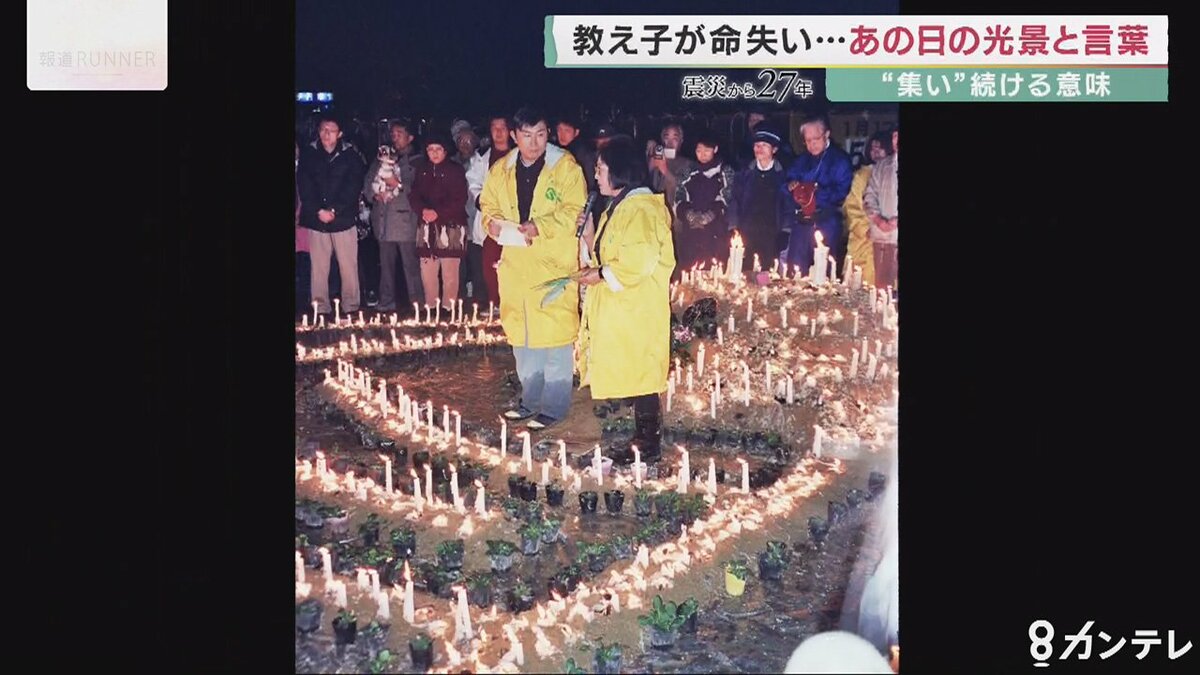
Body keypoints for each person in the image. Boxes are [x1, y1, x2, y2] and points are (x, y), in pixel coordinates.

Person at [480, 107, 587, 431]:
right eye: (526, 135)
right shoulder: (501, 169)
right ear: (514, 136)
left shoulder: (565, 167)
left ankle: (553, 405)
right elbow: (488, 206)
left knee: (554, 337)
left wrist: (540, 225)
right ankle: (530, 400)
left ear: (548, 134)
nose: (534, 142)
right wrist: (492, 226)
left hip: (551, 264)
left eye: (540, 134)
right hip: (516, 264)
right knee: (523, 336)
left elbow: (574, 210)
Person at [578, 135, 675, 463]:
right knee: (638, 372)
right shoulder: (620, 206)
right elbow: (607, 253)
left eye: (601, 168)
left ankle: (648, 446)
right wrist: (590, 234)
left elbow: (638, 261)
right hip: (625, 309)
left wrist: (601, 275)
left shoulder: (642, 209)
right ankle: (644, 440)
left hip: (637, 309)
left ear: (619, 170)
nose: (596, 175)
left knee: (644, 374)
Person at [297, 113, 367, 317]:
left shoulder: (350, 155)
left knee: (348, 266)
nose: (326, 134)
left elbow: (353, 186)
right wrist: (318, 210)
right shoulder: (309, 154)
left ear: (340, 134)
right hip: (317, 220)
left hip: (343, 219)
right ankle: (320, 307)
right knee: (318, 267)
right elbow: (305, 185)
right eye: (323, 130)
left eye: (331, 130)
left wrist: (335, 210)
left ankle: (351, 306)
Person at [363, 119, 425, 312]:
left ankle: (418, 304)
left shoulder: (417, 160)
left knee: (411, 265)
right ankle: (386, 301)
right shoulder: (380, 157)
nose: (394, 137)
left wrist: (396, 184)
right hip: (382, 220)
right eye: (393, 133)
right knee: (386, 266)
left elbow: (416, 189)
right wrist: (375, 193)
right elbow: (367, 185)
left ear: (410, 137)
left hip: (405, 221)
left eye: (399, 133)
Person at [409, 132, 469, 314]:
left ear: (445, 151)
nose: (434, 153)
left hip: (450, 226)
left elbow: (460, 198)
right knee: (427, 270)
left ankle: (448, 308)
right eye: (430, 149)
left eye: (438, 149)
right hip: (427, 226)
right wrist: (423, 210)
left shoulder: (455, 170)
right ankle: (431, 307)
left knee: (450, 271)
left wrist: (439, 212)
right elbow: (414, 195)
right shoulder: (422, 169)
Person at [784, 117, 853, 274]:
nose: (811, 144)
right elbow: (786, 184)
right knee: (796, 271)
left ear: (826, 134)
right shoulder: (801, 160)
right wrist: (791, 187)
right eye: (807, 140)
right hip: (801, 223)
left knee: (824, 271)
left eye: (815, 139)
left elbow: (842, 191)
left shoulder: (840, 160)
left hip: (826, 221)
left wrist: (813, 192)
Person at [727, 127, 793, 271]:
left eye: (764, 145)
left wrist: (785, 231)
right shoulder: (744, 173)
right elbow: (735, 201)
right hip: (747, 232)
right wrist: (733, 226)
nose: (759, 149)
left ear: (774, 150)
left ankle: (763, 293)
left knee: (766, 272)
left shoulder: (783, 175)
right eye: (757, 145)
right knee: (746, 271)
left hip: (771, 234)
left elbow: (788, 205)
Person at [466, 114, 515, 310]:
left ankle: (511, 304)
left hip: (513, 218)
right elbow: (474, 182)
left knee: (512, 263)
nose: (498, 132)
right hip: (491, 218)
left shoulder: (518, 154)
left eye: (502, 128)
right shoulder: (483, 157)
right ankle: (495, 302)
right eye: (494, 128)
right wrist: (480, 200)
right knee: (489, 263)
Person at [673, 130, 737, 271]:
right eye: (699, 150)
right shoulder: (688, 171)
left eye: (707, 150)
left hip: (716, 232)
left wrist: (709, 216)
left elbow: (726, 197)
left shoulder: (725, 171)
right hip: (692, 231)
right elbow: (679, 196)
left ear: (715, 149)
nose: (702, 154)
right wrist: (689, 214)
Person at [843, 131, 891, 289]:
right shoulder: (861, 176)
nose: (876, 153)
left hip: (889, 241)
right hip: (863, 242)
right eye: (873, 148)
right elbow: (852, 208)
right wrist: (866, 230)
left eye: (880, 149)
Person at [863, 128, 899, 291]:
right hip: (883, 237)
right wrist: (878, 220)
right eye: (895, 136)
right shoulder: (882, 166)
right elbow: (869, 196)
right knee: (883, 290)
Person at [647, 121, 696, 220]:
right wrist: (649, 163)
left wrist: (664, 169)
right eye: (666, 138)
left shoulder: (689, 164)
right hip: (655, 216)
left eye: (675, 139)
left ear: (681, 141)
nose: (670, 143)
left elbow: (682, 189)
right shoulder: (656, 159)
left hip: (676, 217)